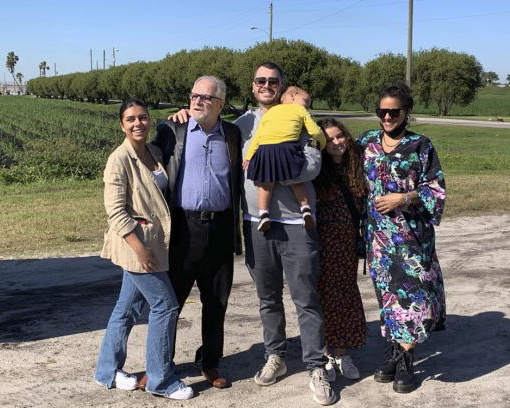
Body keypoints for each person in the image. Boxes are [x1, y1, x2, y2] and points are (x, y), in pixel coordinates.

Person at [166, 63, 335, 406]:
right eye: (261, 80)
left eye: (273, 81)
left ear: (283, 86)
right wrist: (187, 112)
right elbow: (206, 131)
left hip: (296, 223)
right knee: (268, 298)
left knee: (306, 297)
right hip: (255, 221)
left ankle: (317, 366)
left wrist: (275, 170)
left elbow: (314, 165)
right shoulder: (241, 125)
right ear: (253, 86)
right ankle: (276, 356)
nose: (266, 85)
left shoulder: (298, 115)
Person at [94, 100, 193, 400]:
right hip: (136, 246)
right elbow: (116, 212)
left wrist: (180, 116)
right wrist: (140, 250)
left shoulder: (154, 152)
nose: (138, 123)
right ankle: (160, 381)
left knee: (127, 309)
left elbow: (169, 137)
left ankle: (107, 371)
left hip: (154, 243)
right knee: (165, 306)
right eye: (130, 119)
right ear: (121, 125)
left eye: (143, 118)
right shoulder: (119, 159)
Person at [151, 76, 242, 390]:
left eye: (206, 97)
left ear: (219, 104)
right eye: (194, 95)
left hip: (219, 227)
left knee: (216, 301)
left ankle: (210, 362)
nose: (197, 101)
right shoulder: (171, 130)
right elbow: (146, 163)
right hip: (181, 228)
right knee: (171, 301)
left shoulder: (232, 133)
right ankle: (160, 364)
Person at [357, 82, 447, 394]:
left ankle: (406, 358)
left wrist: (403, 198)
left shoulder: (420, 146)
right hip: (378, 238)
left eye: (393, 111)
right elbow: (342, 165)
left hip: (411, 238)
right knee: (389, 298)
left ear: (406, 112)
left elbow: (435, 189)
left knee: (412, 298)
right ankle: (395, 352)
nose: (387, 117)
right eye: (382, 111)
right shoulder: (367, 142)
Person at [312, 118, 367, 382]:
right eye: (330, 139)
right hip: (321, 243)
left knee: (345, 295)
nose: (336, 143)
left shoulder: (357, 164)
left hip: (346, 244)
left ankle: (342, 353)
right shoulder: (316, 168)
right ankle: (325, 356)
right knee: (321, 298)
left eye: (339, 136)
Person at [242, 86, 326, 231]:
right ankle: (305, 210)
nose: (307, 105)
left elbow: (258, 137)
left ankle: (263, 215)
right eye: (306, 101)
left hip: (265, 150)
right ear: (293, 96)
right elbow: (314, 131)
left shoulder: (270, 112)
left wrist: (249, 157)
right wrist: (322, 143)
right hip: (288, 148)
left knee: (265, 185)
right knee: (296, 181)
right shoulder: (300, 110)